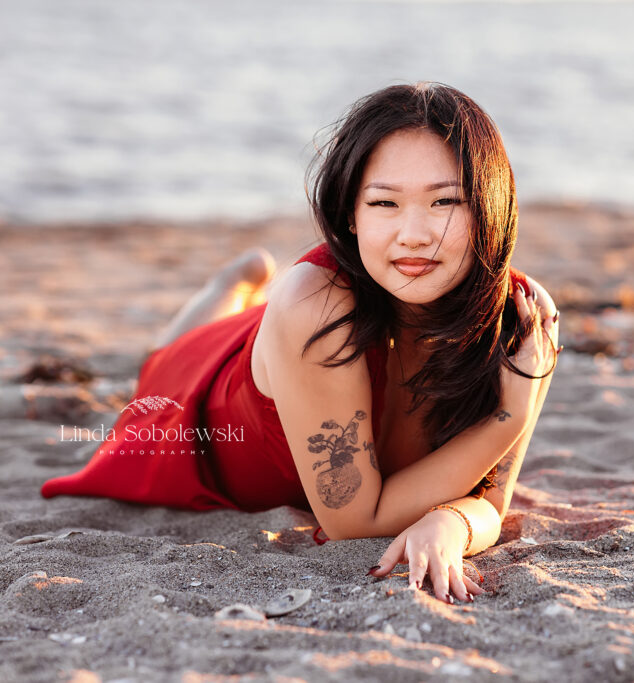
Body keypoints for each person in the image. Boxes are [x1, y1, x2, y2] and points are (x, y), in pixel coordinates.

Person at [41, 82, 560, 605]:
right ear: (350, 215)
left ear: (490, 209)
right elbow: (354, 522)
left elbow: (489, 502)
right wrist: (509, 418)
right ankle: (228, 288)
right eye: (384, 202)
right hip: (212, 410)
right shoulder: (317, 309)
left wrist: (450, 524)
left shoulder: (518, 317)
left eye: (446, 201)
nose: (415, 234)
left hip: (294, 342)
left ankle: (244, 295)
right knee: (161, 373)